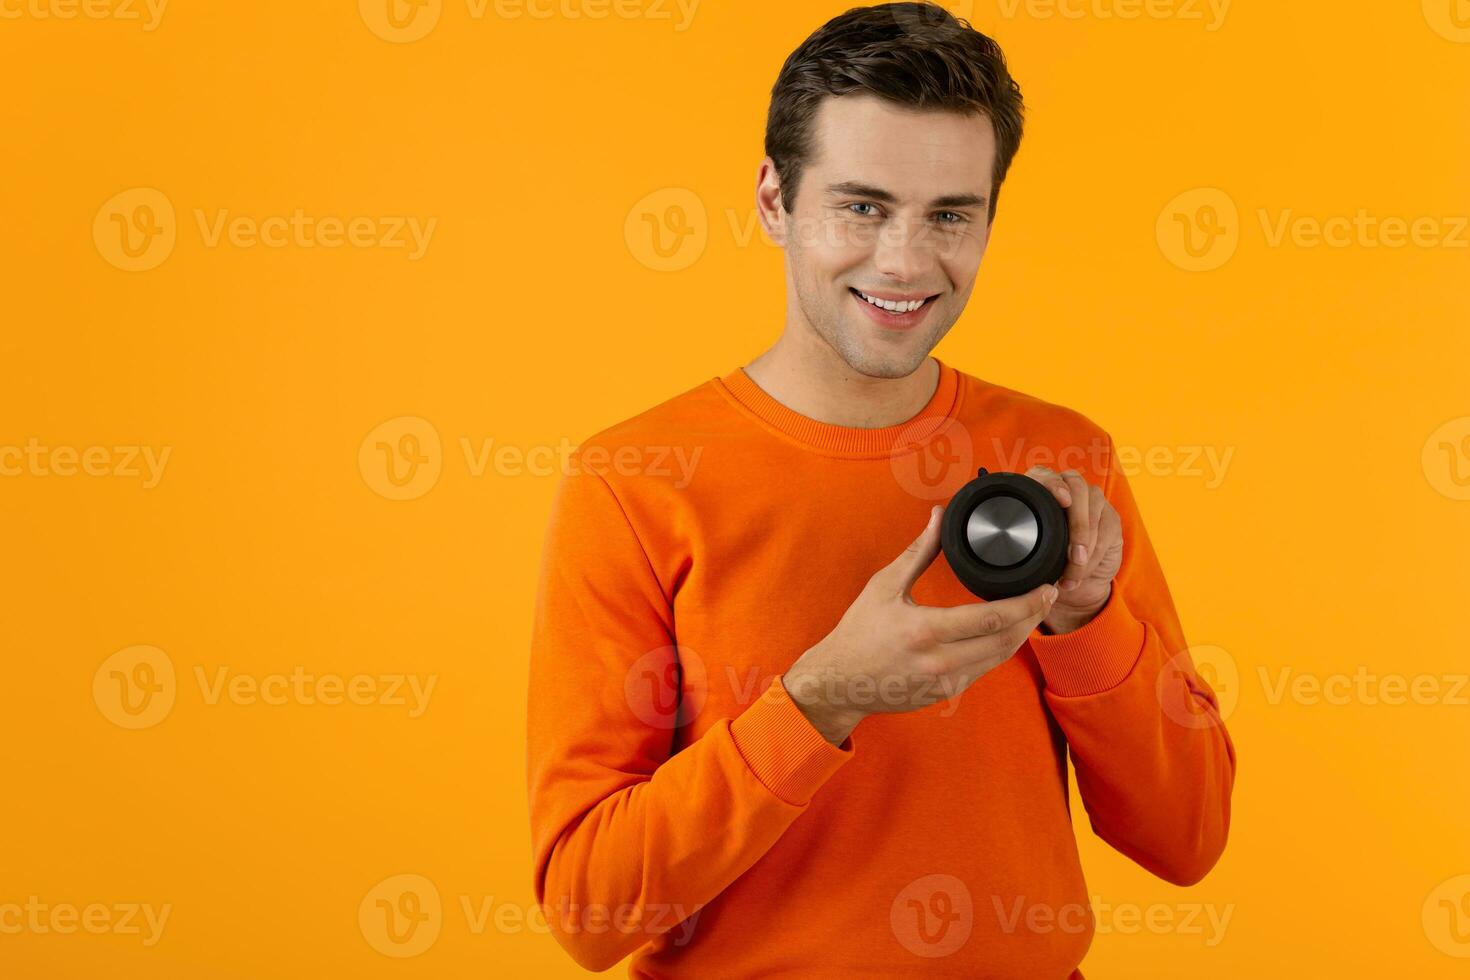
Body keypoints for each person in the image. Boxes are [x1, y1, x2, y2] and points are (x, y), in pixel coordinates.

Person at [526, 4, 1235, 976]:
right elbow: (591, 907)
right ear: (775, 199)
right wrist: (824, 698)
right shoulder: (636, 480)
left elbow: (1188, 837)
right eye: (861, 206)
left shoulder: (1059, 459)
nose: (905, 262)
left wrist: (1087, 617)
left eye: (950, 214)